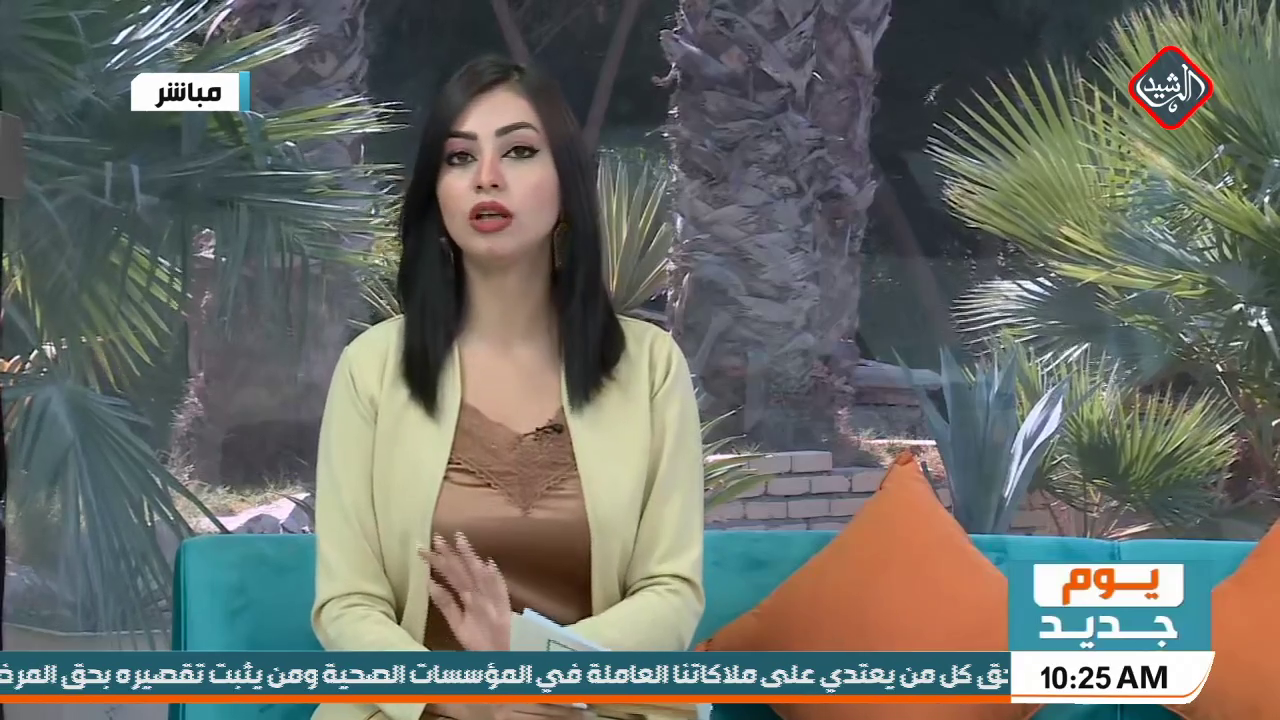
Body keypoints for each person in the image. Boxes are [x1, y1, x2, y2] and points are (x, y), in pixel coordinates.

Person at [309, 55, 707, 720]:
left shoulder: (649, 366)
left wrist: (538, 676)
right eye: (459, 158)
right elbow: (348, 604)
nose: (487, 177)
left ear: (566, 185)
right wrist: (462, 699)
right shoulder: (371, 369)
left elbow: (671, 591)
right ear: (436, 195)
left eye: (519, 151)